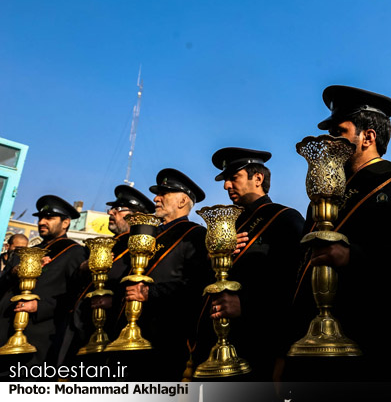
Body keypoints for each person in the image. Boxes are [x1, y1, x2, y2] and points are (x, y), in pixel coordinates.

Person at [284, 85, 391, 401]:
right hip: (318, 346)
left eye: (340, 132)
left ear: (368, 137)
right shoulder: (320, 198)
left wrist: (354, 257)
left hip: (382, 344)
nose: (331, 142)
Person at [190, 148, 304, 395]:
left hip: (257, 346)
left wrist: (247, 306)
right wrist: (211, 260)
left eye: (234, 177)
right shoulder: (226, 227)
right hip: (212, 348)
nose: (226, 186)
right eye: (225, 180)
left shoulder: (285, 219)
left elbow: (293, 288)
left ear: (258, 178)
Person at [110, 169, 208, 381]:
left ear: (183, 201)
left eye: (164, 194)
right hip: (124, 334)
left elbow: (196, 285)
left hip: (163, 339)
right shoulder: (146, 233)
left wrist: (151, 293)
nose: (156, 198)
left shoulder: (195, 235)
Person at [62, 185, 156, 366]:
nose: (111, 212)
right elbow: (72, 286)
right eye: (111, 209)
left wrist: (116, 299)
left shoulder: (141, 246)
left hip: (113, 334)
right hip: (82, 328)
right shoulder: (106, 244)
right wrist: (84, 268)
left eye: (118, 209)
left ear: (136, 216)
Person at [0, 195, 87, 378]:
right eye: (40, 218)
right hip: (5, 334)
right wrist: (14, 271)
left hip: (38, 341)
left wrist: (41, 307)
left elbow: (75, 296)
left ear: (65, 223)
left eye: (49, 218)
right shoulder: (25, 252)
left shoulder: (74, 253)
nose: (42, 222)